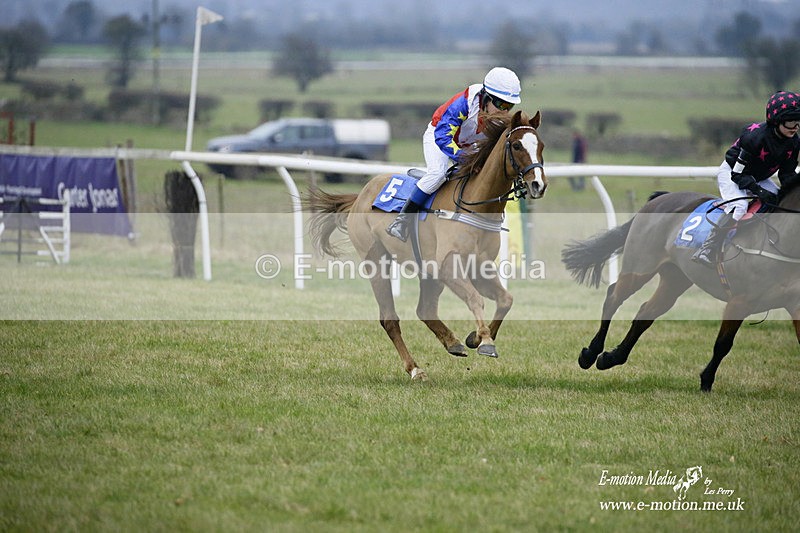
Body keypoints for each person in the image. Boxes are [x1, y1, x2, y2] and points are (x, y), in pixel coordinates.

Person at [386, 67, 522, 241]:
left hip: (469, 144)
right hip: (439, 136)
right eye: (501, 105)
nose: (504, 111)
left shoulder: (496, 112)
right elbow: (443, 137)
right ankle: (402, 221)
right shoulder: (463, 104)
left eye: (509, 106)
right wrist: (465, 159)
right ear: (487, 97)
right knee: (438, 174)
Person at [692, 90, 800, 267]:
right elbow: (738, 174)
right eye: (790, 122)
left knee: (779, 202)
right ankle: (708, 247)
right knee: (740, 206)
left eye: (798, 122)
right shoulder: (754, 137)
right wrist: (759, 191)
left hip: (758, 176)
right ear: (776, 120)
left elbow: (787, 175)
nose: (795, 127)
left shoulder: (794, 142)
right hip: (732, 173)